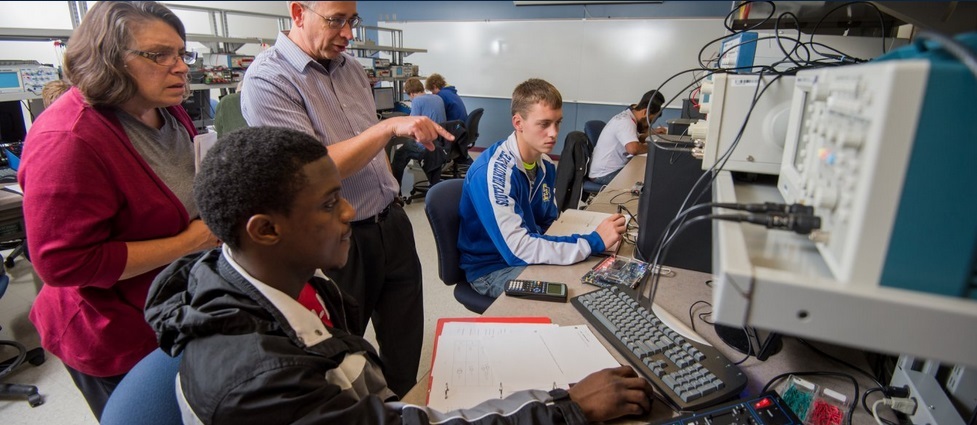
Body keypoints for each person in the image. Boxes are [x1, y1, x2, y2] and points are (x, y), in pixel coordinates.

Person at [145, 126, 655, 424]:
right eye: (329, 203)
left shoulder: (292, 280)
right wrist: (567, 411)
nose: (349, 212)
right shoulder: (259, 384)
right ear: (265, 230)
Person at [17, 1, 220, 420]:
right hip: (112, 333)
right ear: (107, 59)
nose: (180, 67)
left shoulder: (166, 109)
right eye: (159, 55)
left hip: (172, 307)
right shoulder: (69, 140)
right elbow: (65, 263)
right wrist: (189, 240)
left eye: (183, 53)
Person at [241, 1, 453, 397]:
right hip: (335, 240)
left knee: (405, 343)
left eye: (351, 20)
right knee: (339, 357)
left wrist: (388, 181)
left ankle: (403, 410)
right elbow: (308, 170)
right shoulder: (268, 79)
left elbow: (363, 137)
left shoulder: (351, 68)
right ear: (298, 12)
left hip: (390, 223)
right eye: (335, 20)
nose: (348, 33)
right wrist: (390, 128)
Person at [458, 79, 627, 298]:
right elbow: (517, 250)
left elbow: (548, 224)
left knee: (599, 273)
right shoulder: (494, 172)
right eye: (544, 124)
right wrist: (593, 241)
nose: (554, 133)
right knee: (581, 292)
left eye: (557, 123)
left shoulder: (545, 164)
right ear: (518, 123)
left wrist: (592, 239)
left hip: (525, 253)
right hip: (493, 268)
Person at [588, 90, 667, 185]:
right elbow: (633, 149)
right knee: (647, 182)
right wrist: (654, 147)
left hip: (609, 170)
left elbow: (636, 138)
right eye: (650, 121)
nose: (648, 126)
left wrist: (652, 133)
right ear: (645, 112)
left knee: (645, 173)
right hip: (604, 174)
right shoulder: (625, 122)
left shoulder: (628, 116)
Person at [390, 77, 446, 187]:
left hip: (426, 145)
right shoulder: (437, 98)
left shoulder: (417, 101)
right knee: (406, 148)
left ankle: (396, 191)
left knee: (399, 154)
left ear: (411, 93)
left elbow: (411, 126)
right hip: (440, 143)